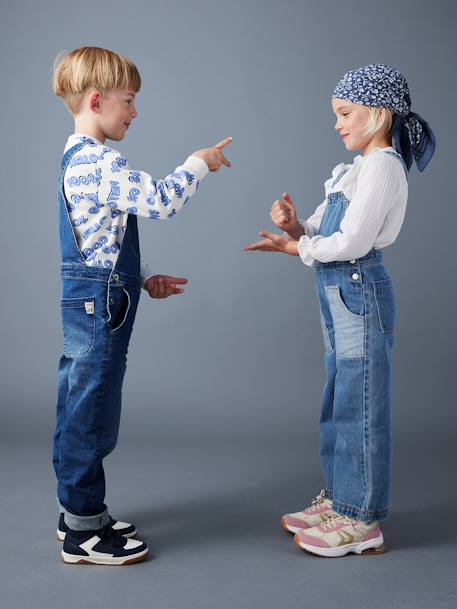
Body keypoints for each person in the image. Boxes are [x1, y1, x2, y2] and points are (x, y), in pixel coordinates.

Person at [245, 63, 435, 558]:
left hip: (357, 289)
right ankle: (340, 499)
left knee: (360, 403)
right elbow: (333, 234)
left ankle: (362, 518)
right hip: (338, 292)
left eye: (345, 113)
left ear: (378, 114)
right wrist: (298, 228)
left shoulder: (383, 166)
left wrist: (297, 250)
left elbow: (352, 242)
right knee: (339, 397)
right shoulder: (359, 168)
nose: (337, 124)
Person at [52, 46, 232, 565]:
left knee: (84, 401)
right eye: (129, 101)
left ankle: (80, 513)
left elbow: (101, 237)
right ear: (96, 99)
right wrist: (201, 162)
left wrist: (146, 277)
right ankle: (83, 531)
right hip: (99, 301)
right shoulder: (98, 160)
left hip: (95, 295)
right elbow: (160, 201)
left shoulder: (79, 160)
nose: (134, 112)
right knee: (92, 411)